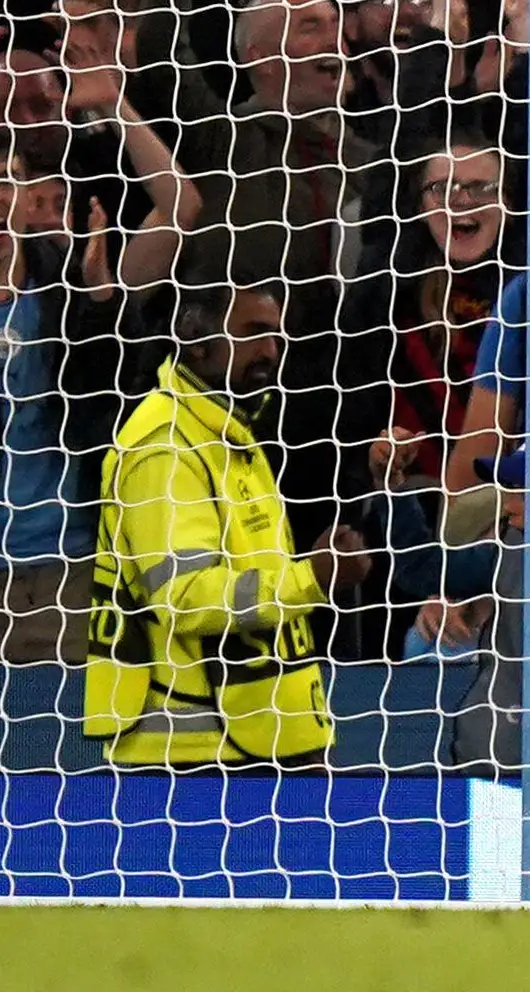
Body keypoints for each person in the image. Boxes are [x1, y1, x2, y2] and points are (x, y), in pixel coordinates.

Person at [83, 279, 355, 765]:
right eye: (253, 332)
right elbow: (184, 599)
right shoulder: (163, 447)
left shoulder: (227, 430)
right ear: (197, 338)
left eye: (276, 335)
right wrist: (309, 579)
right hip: (194, 751)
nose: (270, 350)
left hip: (263, 732)